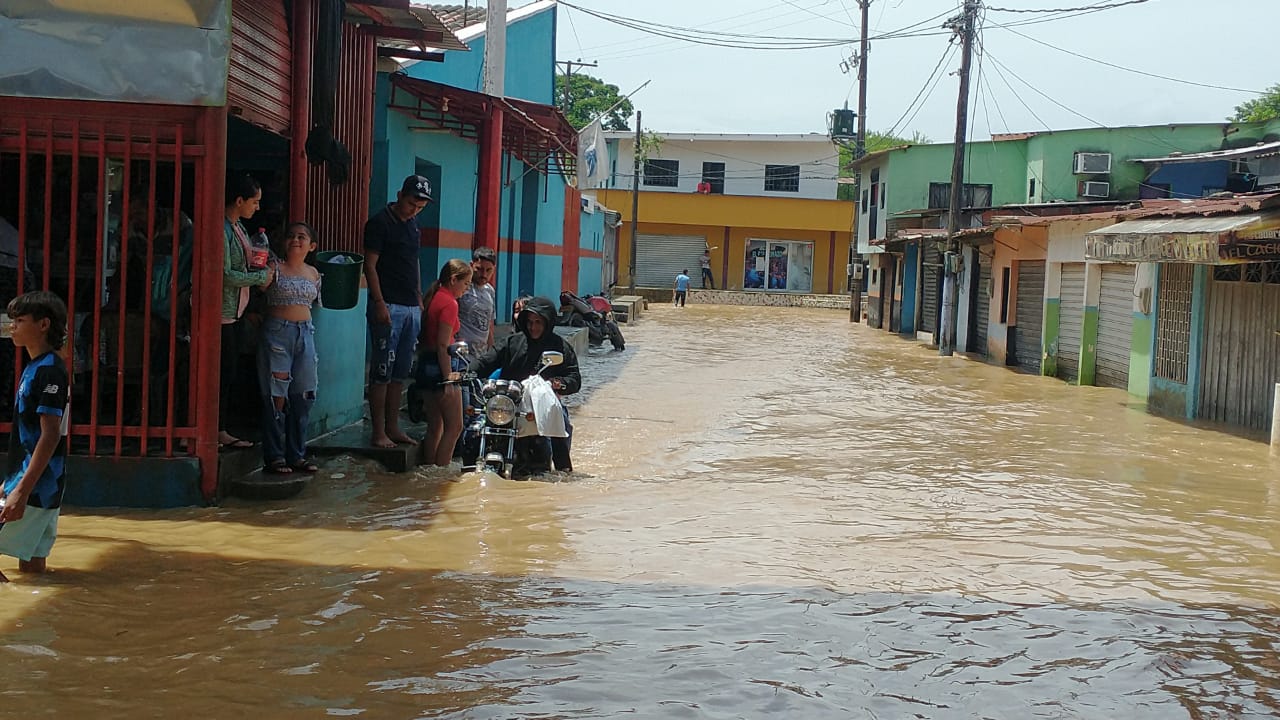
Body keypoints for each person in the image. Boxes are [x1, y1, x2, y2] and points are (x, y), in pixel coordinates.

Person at [0, 291, 69, 582]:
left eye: (19, 320)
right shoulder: (36, 367)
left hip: (36, 484)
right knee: (32, 565)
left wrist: (21, 489)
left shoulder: (49, 371)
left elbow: (49, 436)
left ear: (43, 325)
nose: (11, 326)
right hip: (45, 482)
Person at [468, 296, 581, 472]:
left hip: (544, 404)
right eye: (529, 322)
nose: (533, 327)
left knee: (560, 424)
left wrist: (557, 383)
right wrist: (467, 372)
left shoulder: (560, 346)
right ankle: (468, 467)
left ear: (548, 322)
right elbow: (487, 360)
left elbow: (574, 378)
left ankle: (563, 473)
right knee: (473, 430)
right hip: (509, 404)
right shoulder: (512, 342)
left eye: (538, 322)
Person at [364, 175, 430, 449]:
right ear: (400, 195)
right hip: (388, 304)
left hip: (410, 306)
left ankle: (393, 427)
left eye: (420, 207)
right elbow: (370, 265)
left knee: (400, 371)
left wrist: (418, 296)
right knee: (382, 370)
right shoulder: (379, 224)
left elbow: (413, 261)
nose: (415, 210)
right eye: (412, 203)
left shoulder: (413, 226)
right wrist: (378, 303)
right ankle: (378, 431)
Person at [258, 223, 322, 475]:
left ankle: (297, 454)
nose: (296, 240)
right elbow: (258, 290)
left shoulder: (314, 274)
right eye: (291, 236)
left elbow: (315, 306)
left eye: (302, 237)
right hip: (277, 333)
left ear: (312, 246)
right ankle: (274, 455)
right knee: (276, 395)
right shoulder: (273, 268)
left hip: (305, 333)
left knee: (304, 394)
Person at [222, 174, 273, 449]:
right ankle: (217, 430)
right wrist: (258, 277)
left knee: (230, 371)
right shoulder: (222, 230)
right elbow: (226, 275)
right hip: (221, 312)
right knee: (223, 372)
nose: (258, 207)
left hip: (236, 310)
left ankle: (221, 428)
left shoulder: (239, 227)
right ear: (239, 200)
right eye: (255, 201)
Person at [415, 259, 472, 468]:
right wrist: (449, 379)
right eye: (465, 284)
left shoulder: (435, 297)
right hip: (443, 366)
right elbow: (443, 345)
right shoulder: (450, 303)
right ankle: (441, 474)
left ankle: (430, 470)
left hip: (425, 364)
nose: (466, 289)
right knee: (455, 427)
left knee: (435, 426)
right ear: (454, 279)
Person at [457, 246, 497, 351]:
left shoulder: (490, 291)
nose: (484, 274)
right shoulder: (462, 287)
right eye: (479, 269)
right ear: (471, 265)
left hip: (480, 354)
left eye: (488, 270)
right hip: (462, 353)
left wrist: (491, 352)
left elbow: (489, 325)